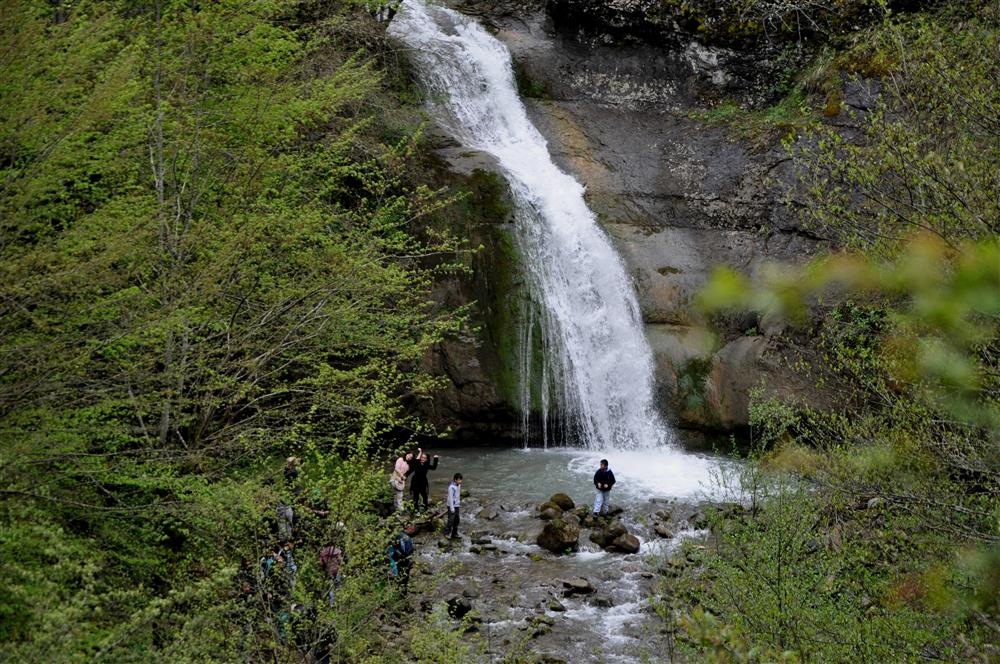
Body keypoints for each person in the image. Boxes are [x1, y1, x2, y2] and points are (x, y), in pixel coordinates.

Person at [444, 473, 463, 539]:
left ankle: (455, 533)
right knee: (451, 520)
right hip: (451, 505)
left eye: (461, 480)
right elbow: (450, 498)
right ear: (455, 480)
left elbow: (457, 495)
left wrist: (458, 503)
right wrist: (452, 508)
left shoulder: (459, 485)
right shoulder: (451, 488)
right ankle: (447, 533)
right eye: (459, 480)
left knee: (457, 520)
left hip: (457, 505)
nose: (460, 481)